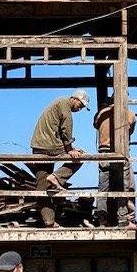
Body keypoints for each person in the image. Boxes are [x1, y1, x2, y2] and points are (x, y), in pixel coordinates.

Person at [30, 91, 90, 227]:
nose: (79, 109)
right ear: (74, 98)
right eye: (80, 105)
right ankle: (57, 177)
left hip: (38, 146)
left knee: (41, 188)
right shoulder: (64, 105)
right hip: (50, 146)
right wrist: (70, 150)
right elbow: (66, 129)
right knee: (80, 157)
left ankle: (49, 221)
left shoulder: (58, 103)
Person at [92, 99, 137, 228]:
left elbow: (95, 124)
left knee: (103, 189)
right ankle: (123, 220)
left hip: (104, 153)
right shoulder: (130, 114)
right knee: (122, 187)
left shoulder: (101, 113)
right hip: (121, 154)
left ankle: (102, 221)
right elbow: (131, 130)